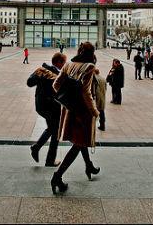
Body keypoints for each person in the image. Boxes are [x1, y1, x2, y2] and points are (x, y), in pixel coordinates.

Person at [51, 42, 100, 194]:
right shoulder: (89, 67)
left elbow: (56, 84)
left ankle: (89, 165)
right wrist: (94, 111)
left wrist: (68, 99)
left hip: (70, 109)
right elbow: (86, 93)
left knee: (80, 140)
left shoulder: (68, 65)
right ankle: (57, 176)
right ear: (91, 53)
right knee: (79, 143)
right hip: (82, 112)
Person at [27, 52, 67, 167]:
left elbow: (30, 83)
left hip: (42, 106)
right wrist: (38, 74)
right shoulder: (47, 72)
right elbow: (30, 83)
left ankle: (38, 149)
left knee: (53, 130)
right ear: (58, 62)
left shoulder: (50, 72)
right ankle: (47, 159)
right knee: (55, 132)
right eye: (63, 62)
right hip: (51, 107)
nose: (64, 65)